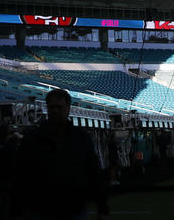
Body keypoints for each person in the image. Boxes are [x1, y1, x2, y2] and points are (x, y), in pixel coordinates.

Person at [12, 88, 109, 220]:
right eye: (52, 107)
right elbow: (20, 175)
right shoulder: (32, 138)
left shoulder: (81, 137)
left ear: (68, 108)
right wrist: (17, 211)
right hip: (40, 209)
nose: (55, 111)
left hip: (75, 208)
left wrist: (102, 208)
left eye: (59, 107)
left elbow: (93, 172)